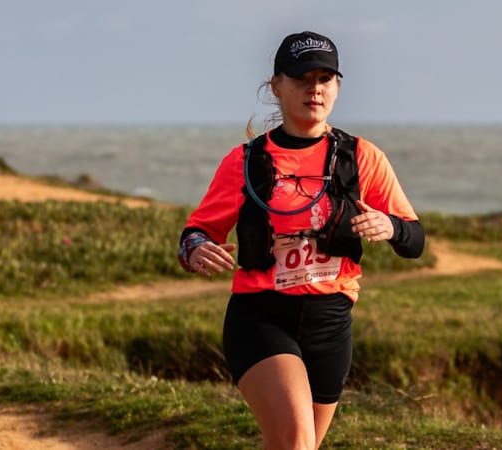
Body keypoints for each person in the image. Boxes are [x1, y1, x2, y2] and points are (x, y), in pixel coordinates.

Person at [177, 31, 424, 449]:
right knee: (296, 442)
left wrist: (391, 226)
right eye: (302, 78)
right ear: (276, 86)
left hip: (331, 323)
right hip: (261, 317)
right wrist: (197, 248)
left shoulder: (362, 157)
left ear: (337, 86)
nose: (315, 89)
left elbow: (415, 240)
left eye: (325, 79)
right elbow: (194, 233)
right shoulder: (245, 162)